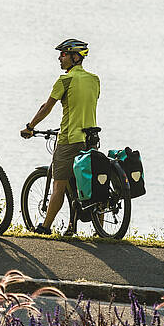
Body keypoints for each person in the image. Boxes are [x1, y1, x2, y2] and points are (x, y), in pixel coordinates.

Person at [21, 38, 100, 236]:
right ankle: (77, 227)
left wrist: (30, 127)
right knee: (87, 183)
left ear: (75, 57)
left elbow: (46, 107)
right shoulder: (94, 80)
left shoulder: (65, 80)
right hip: (90, 139)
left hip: (68, 139)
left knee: (59, 184)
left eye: (63, 54)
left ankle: (45, 226)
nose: (59, 58)